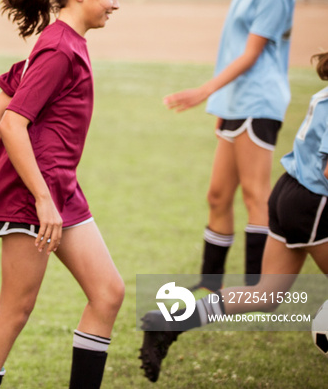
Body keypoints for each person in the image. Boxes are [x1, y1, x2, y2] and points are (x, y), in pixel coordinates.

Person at [0, 0, 126, 389]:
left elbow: (0, 104)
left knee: (108, 293)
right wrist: (42, 199)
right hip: (34, 196)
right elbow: (13, 121)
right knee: (15, 311)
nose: (116, 4)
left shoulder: (59, 41)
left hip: (60, 191)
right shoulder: (59, 47)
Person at [139, 51, 328, 383]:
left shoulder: (323, 93)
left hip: (288, 191)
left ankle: (169, 323)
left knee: (266, 294)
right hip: (313, 203)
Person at [163, 0, 295, 291]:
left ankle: (257, 291)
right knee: (218, 196)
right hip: (234, 103)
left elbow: (251, 55)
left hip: (258, 102)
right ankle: (210, 285)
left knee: (256, 196)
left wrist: (203, 91)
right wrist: (220, 103)